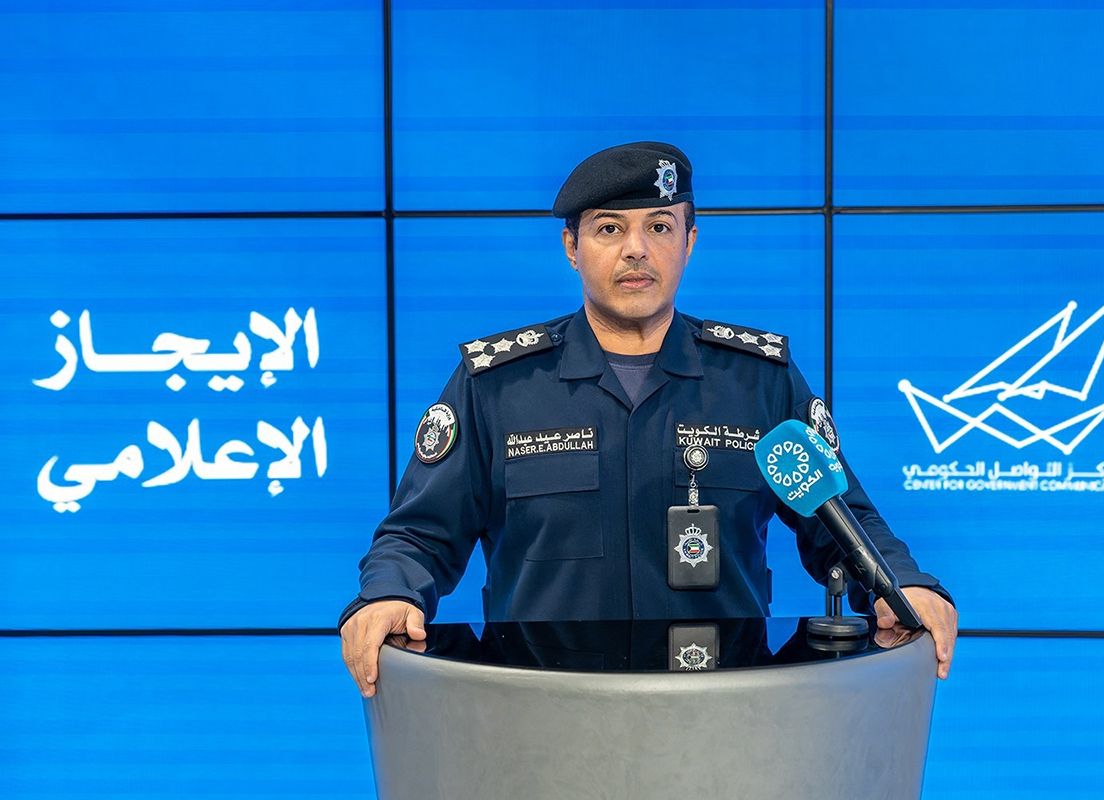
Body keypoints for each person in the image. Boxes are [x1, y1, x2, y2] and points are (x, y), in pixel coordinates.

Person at [340, 142, 957, 697]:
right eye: (609, 228)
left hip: (728, 712)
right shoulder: (498, 386)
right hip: (539, 712)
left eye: (659, 226)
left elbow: (843, 521)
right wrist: (389, 593)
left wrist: (903, 584)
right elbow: (419, 535)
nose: (636, 249)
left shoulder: (759, 381)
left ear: (689, 242)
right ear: (572, 248)